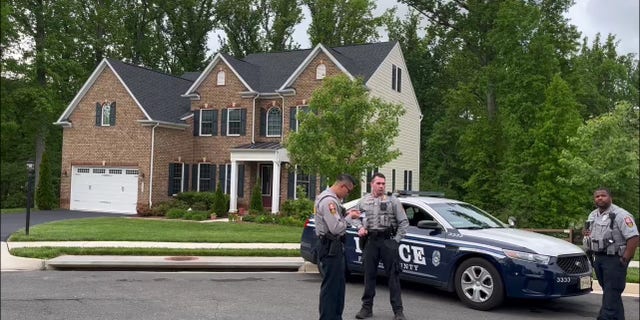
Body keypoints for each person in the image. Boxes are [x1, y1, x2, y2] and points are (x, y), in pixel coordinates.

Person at [350, 172, 409, 320]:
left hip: (387, 240)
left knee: (393, 277)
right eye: (378, 183)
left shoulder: (392, 200)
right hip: (371, 241)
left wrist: (396, 240)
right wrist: (360, 228)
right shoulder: (364, 201)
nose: (381, 186)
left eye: (383, 183)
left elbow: (404, 222)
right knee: (369, 275)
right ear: (372, 184)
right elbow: (353, 217)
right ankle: (366, 308)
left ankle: (398, 311)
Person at [583, 188, 638, 320]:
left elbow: (634, 238)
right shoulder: (593, 215)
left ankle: (605, 317)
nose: (600, 198)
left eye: (603, 195)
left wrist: (625, 258)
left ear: (610, 197)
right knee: (610, 293)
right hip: (599, 258)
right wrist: (585, 233)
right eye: (597, 196)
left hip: (615, 259)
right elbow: (588, 232)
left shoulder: (621, 215)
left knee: (611, 292)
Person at [315, 174, 361, 320]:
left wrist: (346, 214)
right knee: (332, 288)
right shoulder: (329, 201)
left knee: (338, 287)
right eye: (348, 191)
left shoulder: (331, 199)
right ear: (342, 186)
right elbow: (336, 228)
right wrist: (349, 218)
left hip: (334, 247)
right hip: (330, 247)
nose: (348, 194)